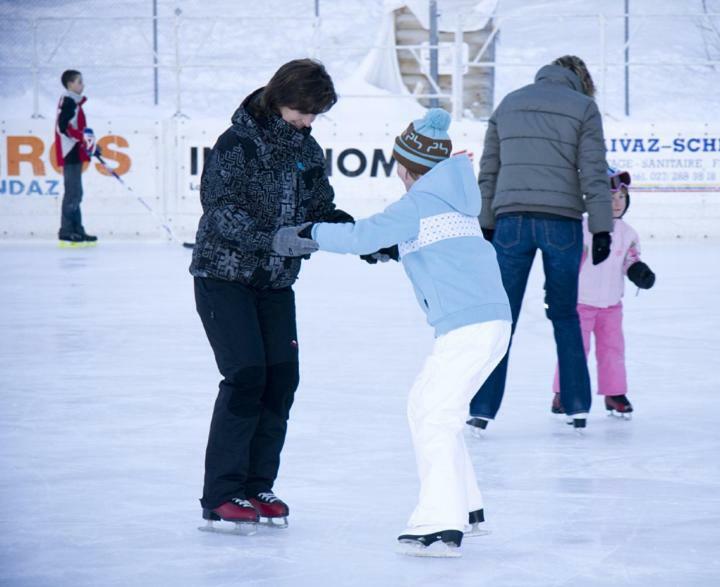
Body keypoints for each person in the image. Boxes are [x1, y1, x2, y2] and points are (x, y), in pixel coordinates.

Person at [290, 108, 512, 557]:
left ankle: (439, 523)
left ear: (407, 169)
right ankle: (466, 508)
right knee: (432, 409)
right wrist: (396, 249)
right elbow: (442, 246)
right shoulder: (456, 198)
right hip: (490, 322)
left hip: (467, 325)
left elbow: (359, 235)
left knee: (433, 414)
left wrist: (309, 232)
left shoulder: (419, 201)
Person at [189, 59, 354, 532]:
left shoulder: (307, 149)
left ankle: (258, 484)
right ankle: (222, 493)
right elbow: (220, 212)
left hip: (275, 283)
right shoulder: (237, 143)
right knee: (246, 376)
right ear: (280, 97)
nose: (308, 121)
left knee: (281, 379)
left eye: (315, 114)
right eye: (303, 111)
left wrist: (363, 239)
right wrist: (275, 238)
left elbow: (321, 209)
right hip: (224, 276)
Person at [468, 55, 614, 434]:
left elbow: (489, 171)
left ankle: (481, 409)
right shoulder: (584, 108)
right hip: (562, 223)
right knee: (565, 316)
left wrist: (486, 222)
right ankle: (576, 406)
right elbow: (594, 172)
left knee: (503, 318)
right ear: (581, 81)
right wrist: (601, 228)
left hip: (511, 222)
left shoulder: (509, 103)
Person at [550, 168, 656, 420]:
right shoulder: (583, 229)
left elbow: (631, 259)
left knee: (613, 350)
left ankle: (614, 393)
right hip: (580, 304)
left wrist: (639, 271)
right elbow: (570, 261)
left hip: (611, 305)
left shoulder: (628, 233)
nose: (617, 203)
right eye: (610, 198)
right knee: (575, 350)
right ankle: (563, 393)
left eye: (621, 197)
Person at [55, 70, 98, 245]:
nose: (82, 85)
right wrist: (82, 138)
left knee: (76, 193)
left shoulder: (74, 102)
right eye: (79, 82)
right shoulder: (69, 101)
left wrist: (89, 143)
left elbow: (77, 129)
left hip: (75, 150)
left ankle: (77, 229)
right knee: (73, 193)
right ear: (70, 84)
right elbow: (63, 127)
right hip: (69, 151)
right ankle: (66, 230)